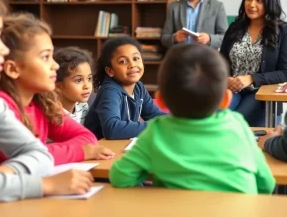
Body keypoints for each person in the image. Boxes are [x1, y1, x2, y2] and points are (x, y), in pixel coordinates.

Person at [109, 43, 275, 194]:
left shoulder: (157, 132)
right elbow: (266, 184)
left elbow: (120, 177)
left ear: (160, 100)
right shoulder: (238, 126)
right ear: (226, 99)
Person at [0, 0, 93, 202]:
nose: (2, 49)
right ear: (13, 69)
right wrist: (44, 183)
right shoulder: (3, 101)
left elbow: (41, 156)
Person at [0, 13, 114, 167]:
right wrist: (81, 151)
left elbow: (87, 137)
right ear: (13, 69)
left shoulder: (42, 102)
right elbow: (29, 158)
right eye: (45, 57)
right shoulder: (0, 106)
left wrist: (49, 152)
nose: (55, 66)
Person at [220, 0, 287, 127]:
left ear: (269, 3)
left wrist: (251, 78)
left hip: (261, 92)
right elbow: (221, 61)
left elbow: (284, 72)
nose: (251, 5)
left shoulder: (282, 31)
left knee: (234, 122)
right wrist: (226, 78)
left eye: (259, 1)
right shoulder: (235, 27)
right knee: (216, 117)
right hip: (233, 89)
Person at [84, 37, 166, 140]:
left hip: (118, 145)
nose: (132, 65)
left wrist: (178, 121)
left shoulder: (138, 87)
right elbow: (112, 129)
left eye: (136, 58)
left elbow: (154, 115)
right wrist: (158, 126)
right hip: (97, 147)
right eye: (123, 61)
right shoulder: (109, 91)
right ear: (110, 71)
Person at [54, 46, 93, 125]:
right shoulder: (53, 113)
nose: (87, 86)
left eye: (89, 79)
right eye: (78, 80)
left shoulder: (83, 106)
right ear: (58, 86)